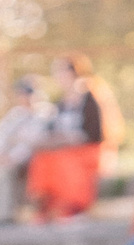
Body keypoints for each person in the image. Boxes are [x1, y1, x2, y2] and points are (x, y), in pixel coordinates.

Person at [26, 55, 120, 222]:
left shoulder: (92, 95)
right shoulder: (61, 102)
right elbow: (51, 129)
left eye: (60, 71)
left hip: (91, 149)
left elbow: (97, 133)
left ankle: (74, 207)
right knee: (42, 159)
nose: (57, 76)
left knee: (64, 160)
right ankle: (47, 206)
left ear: (73, 72)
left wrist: (70, 140)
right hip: (65, 147)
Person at [0, 78, 49, 224]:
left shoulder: (44, 115)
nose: (24, 97)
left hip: (33, 160)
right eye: (22, 93)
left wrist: (12, 158)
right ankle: (4, 215)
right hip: (11, 158)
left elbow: (33, 143)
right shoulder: (15, 114)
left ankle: (6, 215)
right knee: (2, 171)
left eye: (28, 93)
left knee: (6, 170)